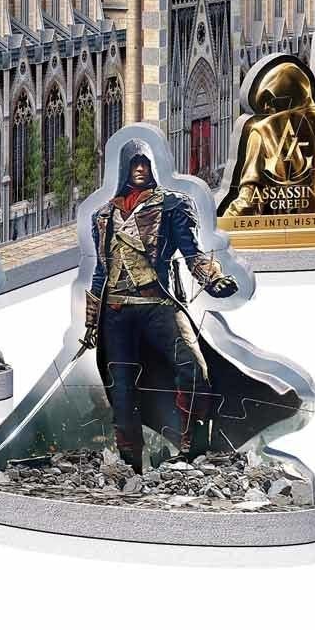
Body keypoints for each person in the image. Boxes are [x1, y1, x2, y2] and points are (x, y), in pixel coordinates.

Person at [80, 140, 238, 473]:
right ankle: (130, 463)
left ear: (153, 166)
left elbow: (192, 252)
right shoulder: (103, 215)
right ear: (124, 168)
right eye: (134, 163)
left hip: (159, 303)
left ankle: (193, 448)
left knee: (193, 367)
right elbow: (100, 271)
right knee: (121, 387)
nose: (140, 169)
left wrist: (214, 279)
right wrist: (91, 322)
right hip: (116, 312)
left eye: (144, 163)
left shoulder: (171, 205)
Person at [219, 57, 315, 220]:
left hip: (281, 232)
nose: (266, 108)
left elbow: (249, 201)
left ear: (287, 94)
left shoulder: (265, 130)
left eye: (269, 100)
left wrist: (220, 225)